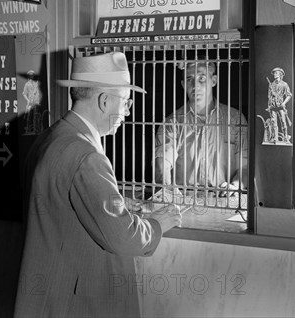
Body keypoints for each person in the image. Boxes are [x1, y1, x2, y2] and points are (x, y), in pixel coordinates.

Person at [15, 52, 181, 318]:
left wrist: (123, 203)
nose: (127, 113)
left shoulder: (49, 137)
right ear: (104, 101)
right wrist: (158, 223)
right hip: (75, 304)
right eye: (126, 103)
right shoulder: (87, 155)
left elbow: (62, 207)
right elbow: (124, 237)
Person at [154, 57, 248, 196]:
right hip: (183, 200)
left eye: (202, 78)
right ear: (183, 84)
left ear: (214, 81)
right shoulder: (172, 123)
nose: (195, 85)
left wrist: (235, 186)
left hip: (224, 198)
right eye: (189, 79)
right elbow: (163, 162)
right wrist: (167, 189)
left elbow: (246, 166)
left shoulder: (235, 119)